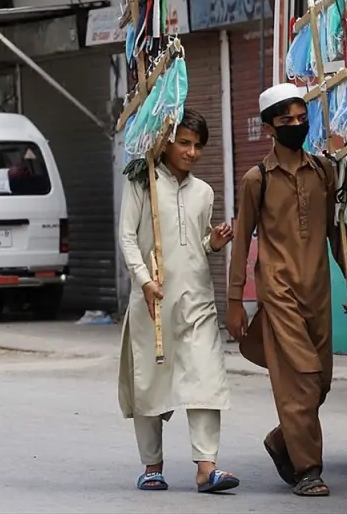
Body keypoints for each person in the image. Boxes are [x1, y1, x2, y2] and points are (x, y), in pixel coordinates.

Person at [226, 83, 347, 497]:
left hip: (318, 292)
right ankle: (308, 470)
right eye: (287, 120)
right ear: (269, 128)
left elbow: (335, 229)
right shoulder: (257, 179)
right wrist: (235, 301)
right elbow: (241, 241)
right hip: (279, 293)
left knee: (320, 382)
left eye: (302, 118)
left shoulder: (324, 171)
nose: (297, 125)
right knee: (301, 381)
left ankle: (281, 438)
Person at [117, 109, 240, 494]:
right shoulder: (142, 181)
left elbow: (196, 245)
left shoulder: (204, 192)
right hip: (153, 303)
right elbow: (127, 237)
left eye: (198, 146)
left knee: (206, 378)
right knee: (151, 383)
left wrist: (213, 243)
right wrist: (143, 280)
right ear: (166, 141)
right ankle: (152, 466)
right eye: (184, 143)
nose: (191, 152)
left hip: (197, 301)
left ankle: (206, 467)